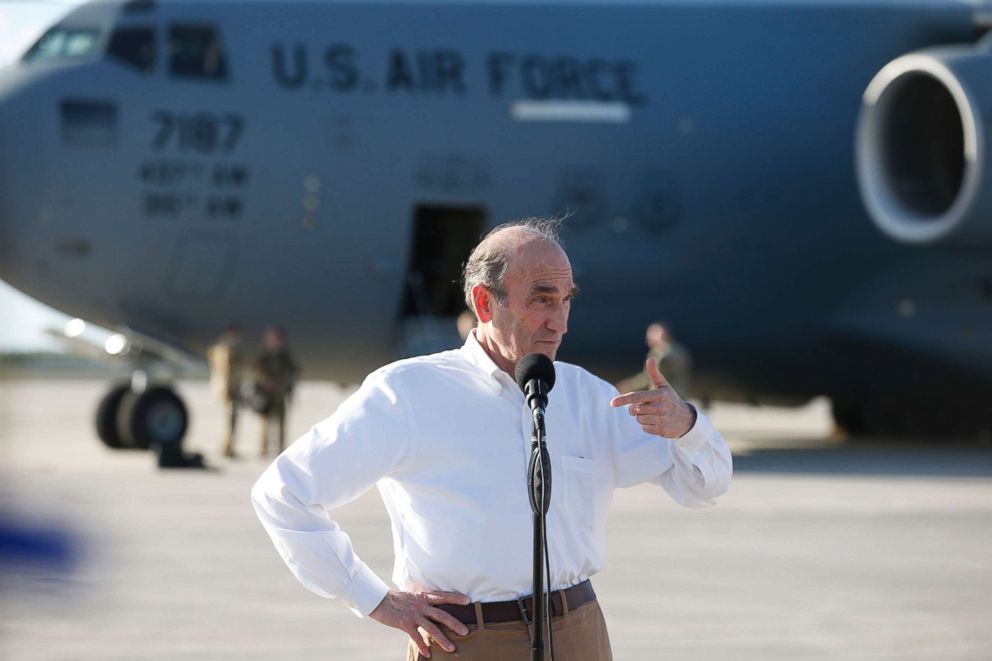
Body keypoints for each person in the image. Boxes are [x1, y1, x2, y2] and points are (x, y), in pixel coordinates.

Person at [252, 218, 732, 660]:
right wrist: (375, 599)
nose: (560, 321)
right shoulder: (408, 394)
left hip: (579, 634)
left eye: (566, 300)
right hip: (468, 641)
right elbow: (285, 493)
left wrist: (688, 425)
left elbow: (701, 485)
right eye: (542, 299)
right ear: (485, 302)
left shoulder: (588, 396)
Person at [255, 325, 299, 456]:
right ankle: (264, 449)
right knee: (265, 423)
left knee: (281, 423)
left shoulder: (285, 356)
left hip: (279, 394)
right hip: (267, 395)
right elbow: (256, 371)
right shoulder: (263, 356)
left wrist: (285, 385)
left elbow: (293, 372)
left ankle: (280, 449)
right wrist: (264, 382)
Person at [616, 322, 693, 397]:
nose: (648, 337)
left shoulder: (660, 354)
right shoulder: (680, 350)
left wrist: (628, 386)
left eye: (651, 333)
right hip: (681, 397)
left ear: (662, 334)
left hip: (665, 399)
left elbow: (650, 378)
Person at [207, 323, 245, 458]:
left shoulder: (217, 349)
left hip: (221, 387)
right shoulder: (229, 350)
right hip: (229, 388)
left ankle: (227, 446)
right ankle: (228, 447)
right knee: (231, 418)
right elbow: (230, 372)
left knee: (229, 418)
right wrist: (234, 389)